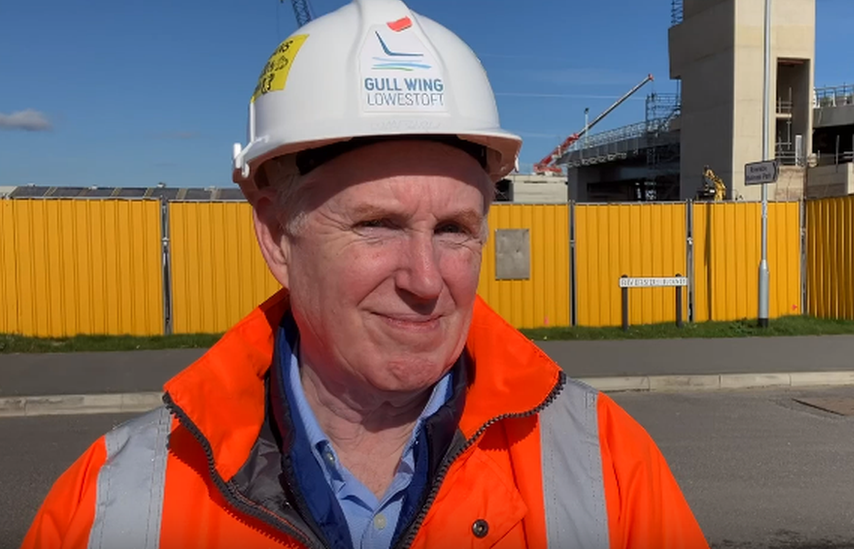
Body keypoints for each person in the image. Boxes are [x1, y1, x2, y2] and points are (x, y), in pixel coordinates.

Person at [21, 1, 710, 548]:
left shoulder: (606, 468)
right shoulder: (118, 499)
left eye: (453, 230)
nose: (426, 278)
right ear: (275, 234)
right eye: (377, 224)